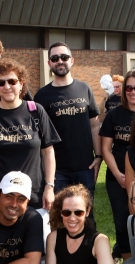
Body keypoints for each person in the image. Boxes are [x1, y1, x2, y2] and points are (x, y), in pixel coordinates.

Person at [0, 58, 59, 209]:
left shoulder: (36, 111)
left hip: (33, 196)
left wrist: (49, 186)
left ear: (21, 83)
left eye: (12, 81)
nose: (7, 87)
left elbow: (48, 152)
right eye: (1, 83)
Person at [34, 42, 102, 199]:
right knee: (58, 217)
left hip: (85, 167)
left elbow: (94, 125)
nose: (59, 61)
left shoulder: (85, 89)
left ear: (71, 60)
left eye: (64, 57)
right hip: (57, 171)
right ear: (49, 63)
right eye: (55, 58)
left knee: (85, 216)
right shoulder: (42, 96)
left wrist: (98, 157)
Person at [100, 70, 135, 260]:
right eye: (128, 87)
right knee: (122, 223)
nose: (133, 92)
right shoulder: (115, 115)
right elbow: (106, 148)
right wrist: (119, 175)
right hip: (117, 178)